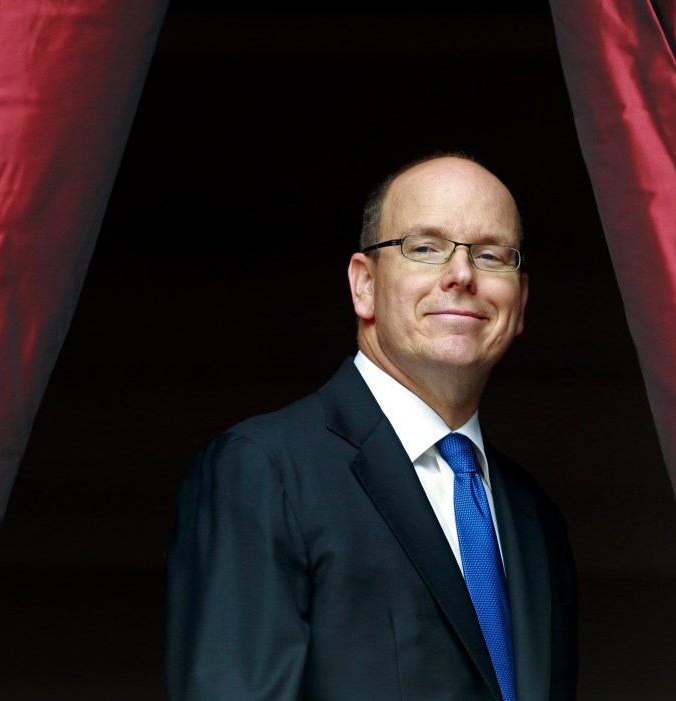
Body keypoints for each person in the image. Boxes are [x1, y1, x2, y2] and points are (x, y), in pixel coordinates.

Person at [165, 155, 577, 701]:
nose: (462, 274)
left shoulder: (535, 516)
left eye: (491, 255)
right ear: (363, 285)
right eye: (424, 248)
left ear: (520, 302)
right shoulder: (264, 469)